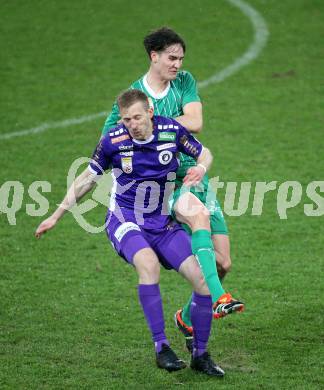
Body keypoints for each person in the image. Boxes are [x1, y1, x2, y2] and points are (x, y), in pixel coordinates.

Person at [35, 89, 225, 377]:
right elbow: (87, 179)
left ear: (149, 112)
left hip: (162, 223)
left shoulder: (170, 129)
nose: (132, 124)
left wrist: (200, 168)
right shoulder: (112, 141)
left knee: (201, 281)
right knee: (148, 264)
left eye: (137, 117)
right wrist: (56, 214)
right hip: (125, 220)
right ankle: (161, 348)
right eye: (126, 119)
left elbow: (205, 152)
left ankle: (200, 354)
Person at [101, 27, 244, 351]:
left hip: (197, 174)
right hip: (170, 183)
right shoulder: (133, 98)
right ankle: (219, 300)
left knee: (222, 264)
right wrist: (143, 129)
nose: (177, 64)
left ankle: (187, 318)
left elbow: (196, 121)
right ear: (154, 56)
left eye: (180, 58)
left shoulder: (183, 82)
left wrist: (157, 124)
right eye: (171, 58)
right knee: (198, 220)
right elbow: (110, 139)